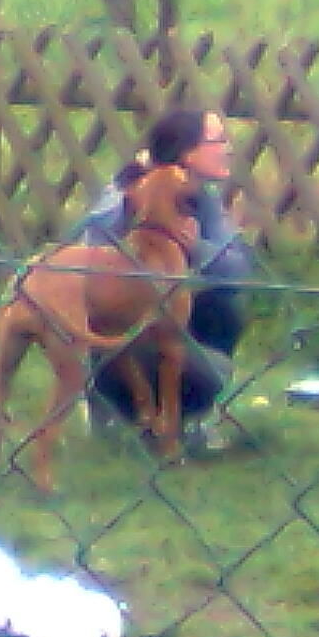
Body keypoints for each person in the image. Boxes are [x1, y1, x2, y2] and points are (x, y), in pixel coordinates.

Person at [82, 108, 252, 444]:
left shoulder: (202, 199)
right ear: (187, 153)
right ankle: (114, 407)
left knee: (225, 307)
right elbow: (89, 248)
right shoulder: (128, 191)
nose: (228, 148)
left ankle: (186, 420)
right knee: (213, 375)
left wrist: (196, 248)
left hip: (171, 319)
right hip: (124, 328)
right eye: (218, 140)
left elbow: (239, 270)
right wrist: (130, 192)